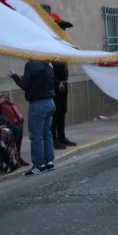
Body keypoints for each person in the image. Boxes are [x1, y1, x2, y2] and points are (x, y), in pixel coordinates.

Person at [9, 56, 56, 176]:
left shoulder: (31, 65)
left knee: (36, 136)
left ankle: (39, 165)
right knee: (47, 133)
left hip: (38, 104)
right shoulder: (48, 64)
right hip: (50, 102)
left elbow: (25, 85)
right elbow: (39, 82)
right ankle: (49, 162)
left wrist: (14, 76)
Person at [47, 12, 77, 150]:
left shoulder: (62, 43)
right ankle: (53, 139)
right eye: (61, 28)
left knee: (62, 111)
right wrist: (57, 81)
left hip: (63, 82)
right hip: (55, 84)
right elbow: (49, 65)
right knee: (55, 112)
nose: (64, 31)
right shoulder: (50, 43)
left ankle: (62, 137)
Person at [0, 94, 28, 166]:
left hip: (1, 120)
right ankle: (11, 157)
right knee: (15, 129)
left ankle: (17, 155)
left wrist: (3, 100)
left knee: (19, 127)